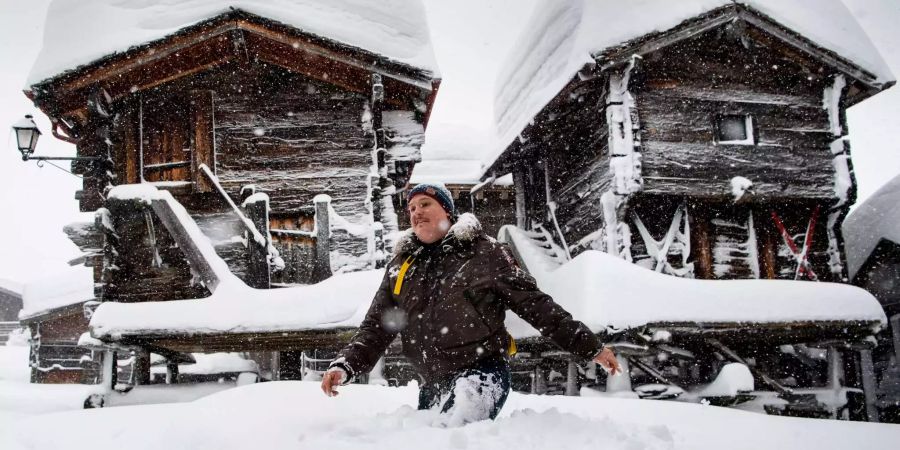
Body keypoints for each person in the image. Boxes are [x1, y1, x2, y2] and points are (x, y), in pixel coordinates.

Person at [321, 182, 620, 424]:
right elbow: (376, 326)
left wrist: (589, 346)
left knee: (454, 435)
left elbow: (536, 305)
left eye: (425, 204)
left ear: (448, 212)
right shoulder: (402, 266)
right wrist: (346, 365)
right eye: (411, 208)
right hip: (433, 384)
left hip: (481, 373)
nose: (416, 212)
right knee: (424, 439)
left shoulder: (484, 253)